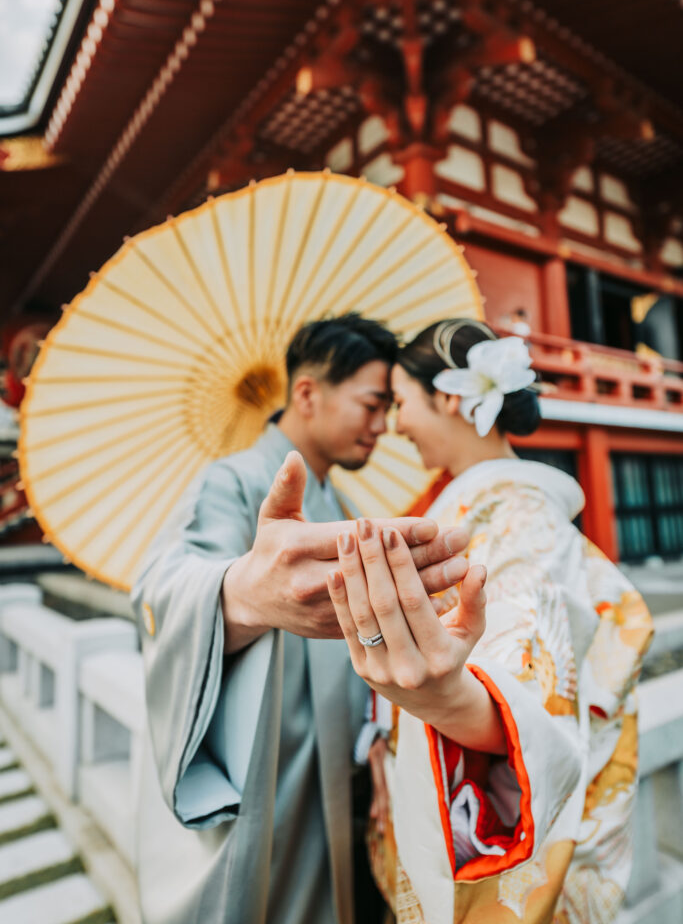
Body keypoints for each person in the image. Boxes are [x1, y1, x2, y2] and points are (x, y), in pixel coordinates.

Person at [131, 313, 474, 924]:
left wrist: (375, 730)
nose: (382, 426)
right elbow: (160, 587)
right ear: (308, 394)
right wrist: (240, 594)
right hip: (269, 768)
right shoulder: (232, 482)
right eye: (372, 403)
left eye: (389, 406)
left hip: (338, 770)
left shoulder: (341, 504)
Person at [328, 319, 653, 924]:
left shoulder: (522, 524)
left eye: (402, 403)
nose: (397, 425)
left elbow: (528, 698)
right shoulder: (478, 513)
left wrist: (443, 698)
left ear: (450, 396)